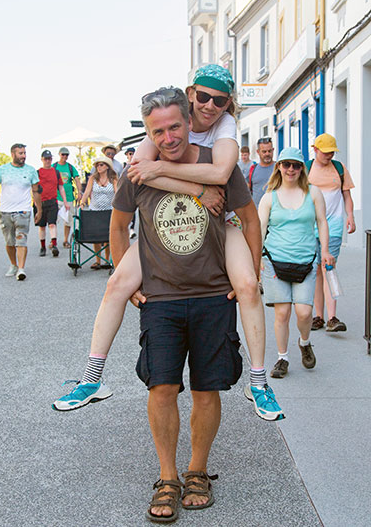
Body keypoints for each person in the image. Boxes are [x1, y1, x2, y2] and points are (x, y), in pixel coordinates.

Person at [53, 65, 283, 423]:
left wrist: (253, 271)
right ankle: (92, 378)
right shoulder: (158, 134)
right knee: (115, 285)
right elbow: (126, 207)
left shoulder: (223, 129)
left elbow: (229, 187)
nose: (209, 105)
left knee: (249, 288)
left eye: (219, 100)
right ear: (191, 95)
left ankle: (259, 382)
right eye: (203, 97)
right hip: (160, 238)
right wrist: (192, 189)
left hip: (222, 225)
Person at [112, 87, 254, 521]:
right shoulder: (136, 172)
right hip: (161, 299)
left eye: (175, 126)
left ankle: (198, 470)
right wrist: (126, 277)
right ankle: (168, 476)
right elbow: (118, 227)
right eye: (159, 130)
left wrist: (252, 272)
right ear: (148, 133)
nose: (169, 136)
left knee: (207, 390)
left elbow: (249, 218)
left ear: (190, 121)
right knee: (162, 388)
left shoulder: (218, 168)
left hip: (214, 295)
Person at [258, 148, 334, 379]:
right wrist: (256, 260)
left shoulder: (313, 193)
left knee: (304, 312)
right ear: (279, 166)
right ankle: (283, 358)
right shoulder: (269, 196)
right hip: (274, 261)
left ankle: (304, 342)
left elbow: (322, 222)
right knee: (282, 314)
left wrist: (325, 250)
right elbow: (260, 229)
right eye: (286, 164)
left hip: (306, 261)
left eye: (296, 165)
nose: (291, 169)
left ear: (302, 168)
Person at [306, 133, 356, 333]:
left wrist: (350, 215)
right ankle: (318, 316)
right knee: (316, 271)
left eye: (332, 152)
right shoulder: (306, 169)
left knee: (329, 267)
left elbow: (347, 194)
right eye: (325, 152)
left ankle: (332, 318)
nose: (329, 156)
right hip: (310, 227)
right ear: (315, 150)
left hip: (333, 226)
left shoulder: (339, 168)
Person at [0, 143, 42, 281]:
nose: (23, 156)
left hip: (23, 211)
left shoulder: (31, 171)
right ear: (13, 154)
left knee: (21, 241)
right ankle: (13, 264)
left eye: (24, 153)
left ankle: (21, 269)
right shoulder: (2, 170)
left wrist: (39, 210)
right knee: (10, 242)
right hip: (5, 211)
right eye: (20, 153)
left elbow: (36, 191)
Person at [80, 156, 118, 270]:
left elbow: (117, 193)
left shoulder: (113, 179)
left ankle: (107, 260)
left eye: (101, 165)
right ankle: (97, 260)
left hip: (109, 210)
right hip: (95, 210)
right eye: (97, 165)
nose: (98, 167)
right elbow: (87, 192)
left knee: (106, 236)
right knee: (96, 235)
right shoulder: (93, 178)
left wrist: (119, 205)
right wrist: (82, 203)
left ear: (107, 167)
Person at [35, 150, 70, 257]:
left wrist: (65, 201)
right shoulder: (37, 173)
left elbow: (61, 187)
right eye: (45, 159)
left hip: (52, 201)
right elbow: (34, 189)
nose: (47, 161)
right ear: (42, 159)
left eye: (49, 159)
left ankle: (54, 245)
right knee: (41, 226)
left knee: (52, 224)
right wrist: (35, 203)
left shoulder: (55, 172)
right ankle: (42, 246)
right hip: (40, 202)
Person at [52, 147, 82, 248]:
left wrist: (79, 192)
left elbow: (77, 179)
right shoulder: (54, 166)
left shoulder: (70, 167)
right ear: (59, 154)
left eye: (66, 155)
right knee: (53, 221)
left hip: (69, 197)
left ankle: (65, 240)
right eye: (63, 154)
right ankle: (53, 241)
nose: (65, 157)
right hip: (56, 197)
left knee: (68, 221)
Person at [249, 137, 275, 208]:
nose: (267, 154)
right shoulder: (253, 169)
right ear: (258, 152)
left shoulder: (280, 168)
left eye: (269, 151)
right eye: (264, 151)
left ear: (273, 150)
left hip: (276, 214)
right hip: (257, 215)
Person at [124, 148, 137, 238]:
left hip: (135, 191)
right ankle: (126, 229)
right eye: (130, 153)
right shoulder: (123, 165)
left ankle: (131, 229)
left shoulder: (137, 164)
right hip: (125, 192)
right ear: (127, 155)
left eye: (133, 153)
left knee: (133, 212)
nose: (131, 155)